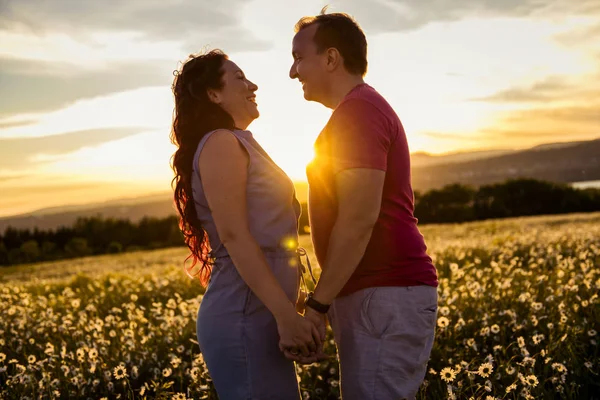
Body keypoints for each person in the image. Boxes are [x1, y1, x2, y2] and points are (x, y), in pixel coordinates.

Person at [288, 10, 440, 400]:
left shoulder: (359, 111)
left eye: (299, 57)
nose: (293, 72)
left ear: (331, 58)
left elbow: (358, 220)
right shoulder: (354, 112)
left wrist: (319, 305)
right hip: (376, 294)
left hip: (385, 293)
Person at [170, 49, 321, 400]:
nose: (253, 85)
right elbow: (236, 238)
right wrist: (287, 317)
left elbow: (263, 237)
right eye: (239, 78)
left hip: (263, 310)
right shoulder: (221, 143)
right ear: (213, 95)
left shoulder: (237, 142)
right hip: (243, 316)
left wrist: (298, 307)